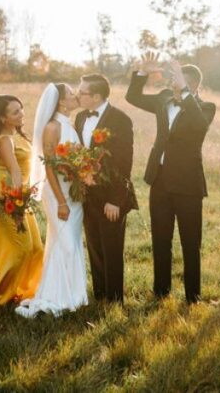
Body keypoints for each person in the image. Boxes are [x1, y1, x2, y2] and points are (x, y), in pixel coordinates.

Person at [126, 53, 215, 304]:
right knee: (160, 239)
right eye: (172, 79)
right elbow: (132, 97)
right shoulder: (164, 99)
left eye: (176, 79)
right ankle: (161, 291)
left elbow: (199, 125)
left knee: (190, 242)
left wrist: (184, 91)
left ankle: (193, 296)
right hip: (160, 179)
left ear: (192, 84)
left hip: (188, 183)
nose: (171, 84)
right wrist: (142, 73)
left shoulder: (206, 108)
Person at [16, 83, 88, 317]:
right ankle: (57, 296)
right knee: (64, 243)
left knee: (71, 242)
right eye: (71, 93)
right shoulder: (52, 127)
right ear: (61, 102)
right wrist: (62, 201)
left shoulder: (70, 124)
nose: (76, 94)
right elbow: (49, 169)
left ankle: (73, 295)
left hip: (73, 192)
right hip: (58, 193)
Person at [76, 73, 136, 303]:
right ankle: (100, 295)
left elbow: (124, 163)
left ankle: (114, 300)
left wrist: (115, 199)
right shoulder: (81, 117)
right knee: (94, 245)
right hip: (88, 194)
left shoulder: (120, 119)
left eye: (82, 92)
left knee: (111, 248)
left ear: (97, 96)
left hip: (112, 196)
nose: (77, 94)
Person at [0, 95, 44, 307]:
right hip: (8, 194)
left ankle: (24, 292)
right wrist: (18, 203)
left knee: (36, 247)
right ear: (2, 118)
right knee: (21, 249)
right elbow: (15, 172)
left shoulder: (17, 135)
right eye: (15, 112)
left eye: (21, 109)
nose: (21, 114)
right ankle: (1, 298)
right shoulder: (4, 140)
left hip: (21, 193)